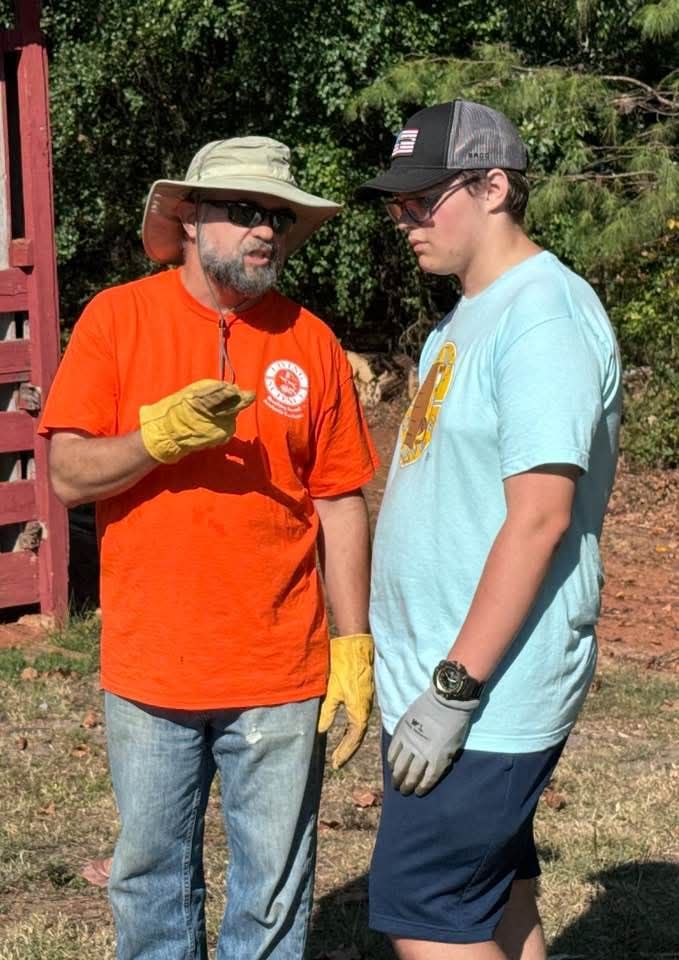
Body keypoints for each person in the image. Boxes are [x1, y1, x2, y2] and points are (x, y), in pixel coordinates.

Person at [39, 136, 378, 960]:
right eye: (245, 210)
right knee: (150, 882)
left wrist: (353, 644)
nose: (265, 230)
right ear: (188, 217)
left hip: (281, 670)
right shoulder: (118, 319)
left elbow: (339, 500)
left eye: (278, 217)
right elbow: (68, 474)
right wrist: (152, 441)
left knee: (273, 893)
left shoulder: (310, 340)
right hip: (151, 667)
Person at [356, 100, 622, 959]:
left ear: (494, 187)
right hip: (444, 682)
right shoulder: (466, 315)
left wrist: (452, 691)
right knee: (498, 900)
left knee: (425, 913)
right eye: (396, 204)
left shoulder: (542, 316)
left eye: (422, 199)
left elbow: (540, 519)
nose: (404, 219)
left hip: (482, 694)